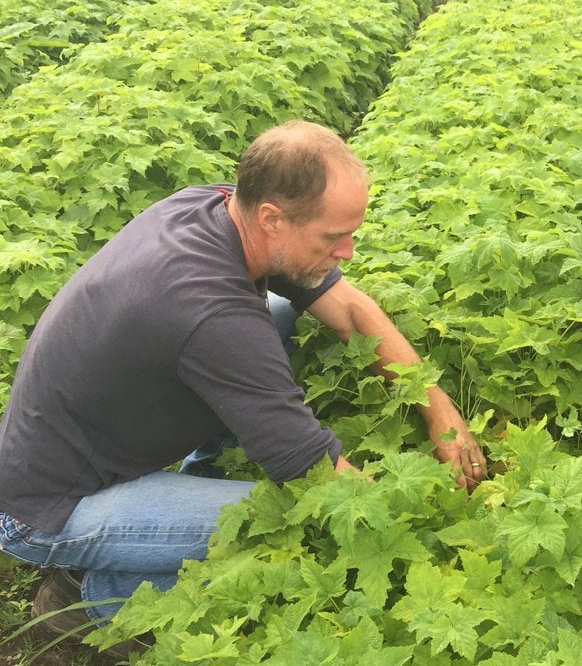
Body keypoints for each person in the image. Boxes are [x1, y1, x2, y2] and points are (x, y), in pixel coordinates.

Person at [0, 120, 487, 652]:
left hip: (78, 445)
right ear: (273, 218)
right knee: (279, 521)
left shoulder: (212, 207)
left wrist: (438, 409)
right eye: (333, 237)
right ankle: (95, 597)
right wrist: (440, 525)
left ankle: (198, 475)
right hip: (45, 509)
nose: (347, 251)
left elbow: (348, 307)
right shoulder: (212, 315)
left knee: (276, 310)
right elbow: (317, 475)